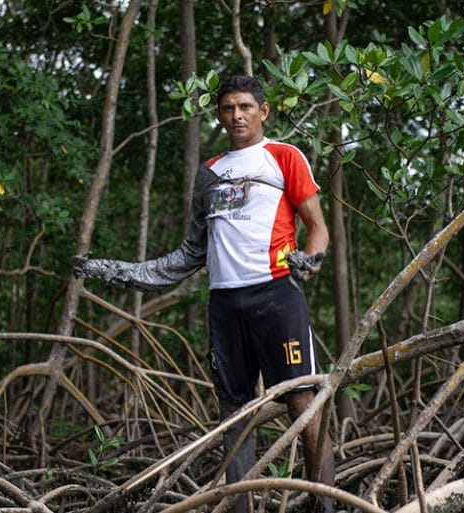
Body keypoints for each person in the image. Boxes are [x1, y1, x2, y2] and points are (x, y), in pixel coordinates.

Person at [72, 75, 335, 513]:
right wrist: (115, 271)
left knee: (303, 403)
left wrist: (311, 261)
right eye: (228, 108)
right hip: (224, 302)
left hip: (276, 294)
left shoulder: (284, 157)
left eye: (246, 107)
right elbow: (190, 253)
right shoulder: (209, 173)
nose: (237, 115)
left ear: (263, 112)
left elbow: (318, 228)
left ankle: (327, 506)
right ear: (218, 114)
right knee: (234, 413)